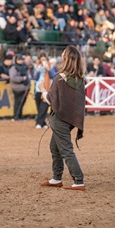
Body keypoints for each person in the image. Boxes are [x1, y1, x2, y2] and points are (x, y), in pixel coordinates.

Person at [39, 45, 86, 191]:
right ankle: (56, 178)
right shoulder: (79, 79)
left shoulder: (60, 78)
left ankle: (78, 180)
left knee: (65, 150)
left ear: (65, 59)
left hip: (59, 119)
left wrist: (42, 90)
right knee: (54, 147)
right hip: (69, 119)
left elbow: (52, 99)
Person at [34, 53, 53, 129]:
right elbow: (35, 77)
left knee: (44, 107)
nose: (43, 61)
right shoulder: (37, 67)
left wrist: (48, 69)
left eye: (44, 59)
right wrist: (38, 69)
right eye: (41, 60)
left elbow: (52, 76)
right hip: (38, 89)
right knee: (39, 108)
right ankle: (43, 122)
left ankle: (38, 123)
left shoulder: (50, 66)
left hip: (47, 89)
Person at [9, 54, 30, 120]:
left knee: (22, 102)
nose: (21, 61)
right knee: (18, 102)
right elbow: (13, 78)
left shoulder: (24, 67)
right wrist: (22, 78)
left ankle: (20, 115)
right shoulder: (14, 68)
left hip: (24, 87)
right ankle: (16, 116)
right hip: (17, 88)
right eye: (19, 59)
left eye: (22, 59)